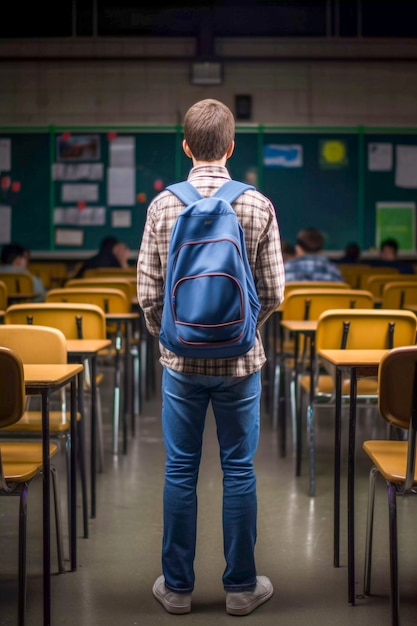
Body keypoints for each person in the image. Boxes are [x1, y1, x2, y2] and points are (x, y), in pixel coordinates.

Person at [137, 98, 284, 616]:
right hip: (241, 366)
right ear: (230, 146)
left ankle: (176, 589)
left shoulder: (162, 206)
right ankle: (241, 588)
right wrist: (242, 333)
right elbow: (273, 292)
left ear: (185, 146)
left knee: (180, 469)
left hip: (180, 366)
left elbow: (149, 293)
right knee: (238, 469)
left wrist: (174, 338)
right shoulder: (256, 204)